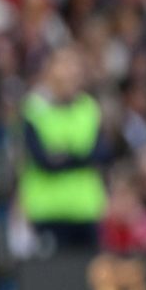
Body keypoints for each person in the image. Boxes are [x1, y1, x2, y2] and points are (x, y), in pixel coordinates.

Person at [19, 45, 109, 252]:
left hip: (86, 210)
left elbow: (101, 153)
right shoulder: (34, 109)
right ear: (50, 72)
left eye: (74, 69)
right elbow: (44, 161)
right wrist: (80, 156)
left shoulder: (89, 108)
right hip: (48, 211)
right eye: (64, 67)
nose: (70, 74)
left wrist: (63, 155)